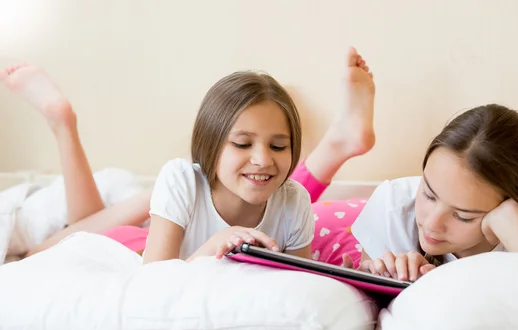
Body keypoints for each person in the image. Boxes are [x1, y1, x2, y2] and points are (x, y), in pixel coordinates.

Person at [0, 47, 375, 267]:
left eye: (279, 146)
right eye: (242, 144)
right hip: (136, 245)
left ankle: (339, 142)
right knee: (34, 257)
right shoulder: (181, 180)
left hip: (174, 212)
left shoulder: (293, 199)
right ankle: (63, 124)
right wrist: (213, 247)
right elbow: (157, 282)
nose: (262, 158)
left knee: (85, 224)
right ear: (212, 145)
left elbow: (299, 284)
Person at [347, 104, 518, 282]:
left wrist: (513, 231)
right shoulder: (393, 206)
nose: (431, 225)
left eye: (463, 216)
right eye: (428, 194)